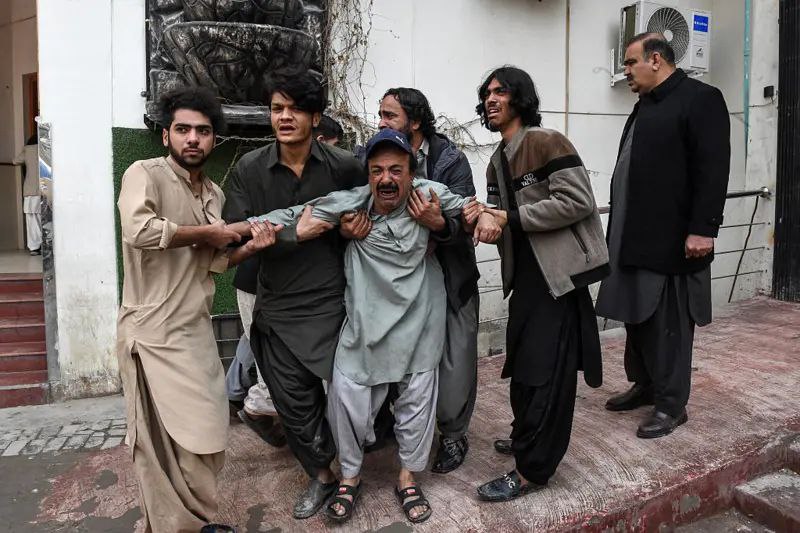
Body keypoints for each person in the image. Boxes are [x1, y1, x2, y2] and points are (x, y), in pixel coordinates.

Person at [230, 128, 475, 524]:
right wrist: (239, 230)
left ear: (412, 173)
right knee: (346, 397)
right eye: (377, 170)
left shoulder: (428, 197)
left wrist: (479, 219)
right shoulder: (353, 203)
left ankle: (407, 478)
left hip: (418, 323)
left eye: (396, 170)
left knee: (417, 399)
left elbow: (470, 209)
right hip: (365, 324)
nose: (386, 179)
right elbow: (295, 214)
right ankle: (349, 476)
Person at [116, 86, 278, 533]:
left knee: (206, 435)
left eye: (203, 131)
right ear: (165, 135)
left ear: (214, 139)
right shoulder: (144, 174)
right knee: (157, 445)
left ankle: (194, 519)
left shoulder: (213, 194)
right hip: (150, 331)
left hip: (193, 330)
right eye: (183, 129)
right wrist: (208, 234)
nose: (193, 139)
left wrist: (252, 246)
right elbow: (138, 230)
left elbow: (214, 263)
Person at [221, 67, 367, 519]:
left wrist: (356, 229)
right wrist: (291, 235)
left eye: (295, 109)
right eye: (277, 108)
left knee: (349, 395)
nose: (284, 117)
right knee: (293, 400)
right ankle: (321, 474)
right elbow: (234, 238)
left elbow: (371, 217)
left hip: (335, 302)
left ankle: (353, 469)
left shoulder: (344, 167)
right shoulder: (249, 169)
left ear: (315, 117)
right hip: (279, 305)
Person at [464, 66, 607, 502]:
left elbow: (577, 201)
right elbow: (500, 220)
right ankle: (526, 435)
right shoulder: (496, 160)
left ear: (520, 98)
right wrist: (480, 218)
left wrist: (509, 217)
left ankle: (532, 470)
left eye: (500, 92)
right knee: (523, 369)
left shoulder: (547, 142)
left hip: (558, 281)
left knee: (546, 375)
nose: (490, 100)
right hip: (525, 281)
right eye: (486, 93)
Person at [595, 33, 730, 438]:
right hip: (634, 235)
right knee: (637, 316)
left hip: (674, 241)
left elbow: (713, 167)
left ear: (656, 60)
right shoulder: (645, 105)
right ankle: (646, 385)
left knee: (669, 324)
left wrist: (703, 229)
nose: (625, 70)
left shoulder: (700, 98)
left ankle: (671, 405)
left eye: (630, 62)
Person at [373, 87, 480, 473]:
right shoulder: (373, 155)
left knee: (454, 363)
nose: (381, 122)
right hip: (395, 284)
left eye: (390, 115)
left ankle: (453, 435)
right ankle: (390, 427)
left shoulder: (449, 160)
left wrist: (439, 225)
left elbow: (467, 217)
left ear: (415, 121)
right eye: (380, 114)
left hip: (451, 279)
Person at [224, 254, 286, 447]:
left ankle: (236, 391)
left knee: (254, 340)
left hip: (267, 279)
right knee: (262, 343)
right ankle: (258, 402)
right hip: (263, 280)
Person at [13, 135, 43, 255]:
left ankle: (34, 247)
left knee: (31, 218)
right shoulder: (45, 148)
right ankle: (45, 244)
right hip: (44, 189)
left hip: (29, 190)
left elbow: (15, 161)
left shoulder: (27, 150)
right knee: (43, 217)